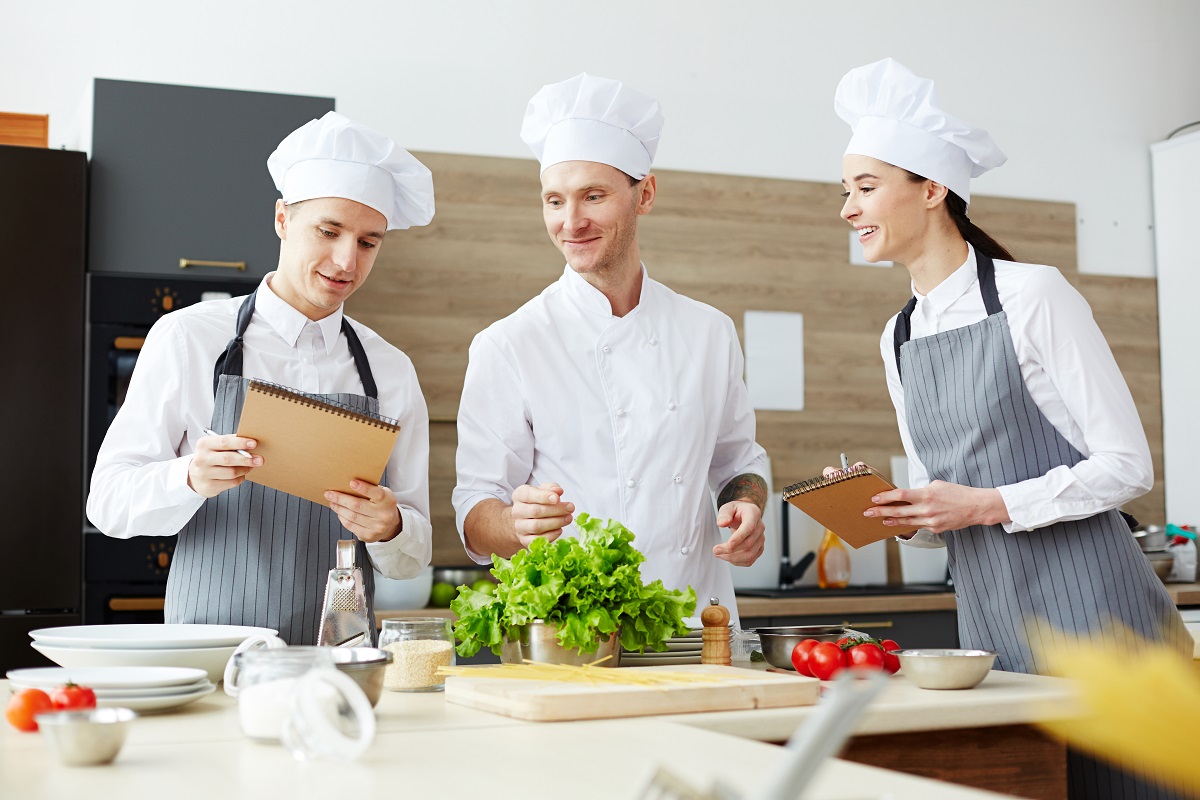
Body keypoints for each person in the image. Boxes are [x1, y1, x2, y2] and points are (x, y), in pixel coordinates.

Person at [833, 58, 1188, 797]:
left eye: (865, 187)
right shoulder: (897, 336)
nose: (848, 209)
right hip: (993, 631)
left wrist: (987, 504)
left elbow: (1128, 465)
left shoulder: (1034, 296)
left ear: (931, 191)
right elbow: (946, 508)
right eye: (847, 191)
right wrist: (901, 515)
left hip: (1101, 618)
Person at [87, 111, 435, 645]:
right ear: (281, 219)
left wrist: (390, 528)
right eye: (329, 230)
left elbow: (413, 560)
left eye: (369, 242)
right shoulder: (189, 338)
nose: (346, 260)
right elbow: (107, 502)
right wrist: (189, 478)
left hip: (338, 661)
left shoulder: (390, 368)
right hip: (211, 653)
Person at [452, 73, 769, 626]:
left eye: (593, 196)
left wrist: (747, 504)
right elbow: (476, 511)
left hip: (695, 631)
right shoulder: (508, 344)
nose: (570, 222)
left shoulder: (710, 333)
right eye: (555, 200)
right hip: (572, 638)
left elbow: (738, 462)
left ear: (644, 194)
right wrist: (514, 524)